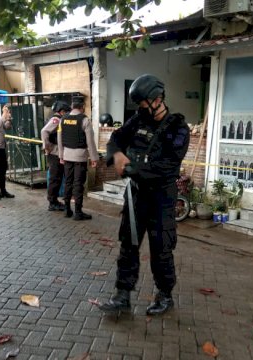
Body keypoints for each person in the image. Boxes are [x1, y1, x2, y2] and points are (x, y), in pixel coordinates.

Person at [99, 74, 189, 316]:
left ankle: (165, 295)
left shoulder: (177, 128)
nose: (140, 109)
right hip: (136, 195)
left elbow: (166, 168)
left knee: (161, 248)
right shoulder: (139, 120)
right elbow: (116, 138)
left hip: (162, 198)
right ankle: (122, 295)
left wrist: (131, 169)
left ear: (157, 99)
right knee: (128, 245)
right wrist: (116, 154)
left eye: (142, 104)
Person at [58, 96, 98, 220]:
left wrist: (61, 155)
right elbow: (90, 141)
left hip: (67, 156)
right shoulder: (85, 120)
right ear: (82, 107)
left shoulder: (63, 119)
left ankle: (67, 210)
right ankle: (78, 212)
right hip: (80, 157)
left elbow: (60, 139)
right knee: (78, 184)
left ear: (72, 106)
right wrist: (94, 158)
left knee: (68, 182)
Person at [41, 100, 70, 211]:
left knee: (57, 178)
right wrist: (48, 147)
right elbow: (44, 132)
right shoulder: (56, 119)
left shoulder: (60, 119)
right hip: (54, 153)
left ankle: (54, 201)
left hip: (57, 153)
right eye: (66, 111)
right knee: (55, 178)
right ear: (62, 111)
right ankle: (52, 202)